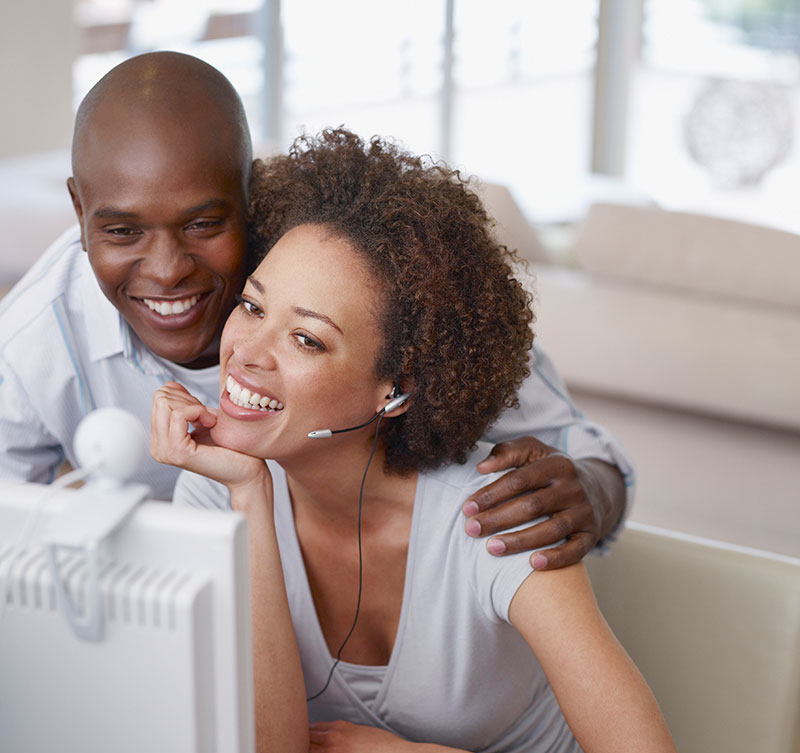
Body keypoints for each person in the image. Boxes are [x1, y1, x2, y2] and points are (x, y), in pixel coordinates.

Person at [150, 128, 693, 753]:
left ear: (397, 389)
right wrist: (248, 498)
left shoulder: (499, 515)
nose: (248, 353)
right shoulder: (218, 494)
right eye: (253, 306)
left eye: (306, 338)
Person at [0, 50, 633, 568]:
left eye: (202, 223)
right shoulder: (35, 338)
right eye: (121, 233)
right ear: (80, 212)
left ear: (251, 195)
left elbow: (578, 451)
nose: (167, 270)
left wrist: (591, 492)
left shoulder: (348, 274)